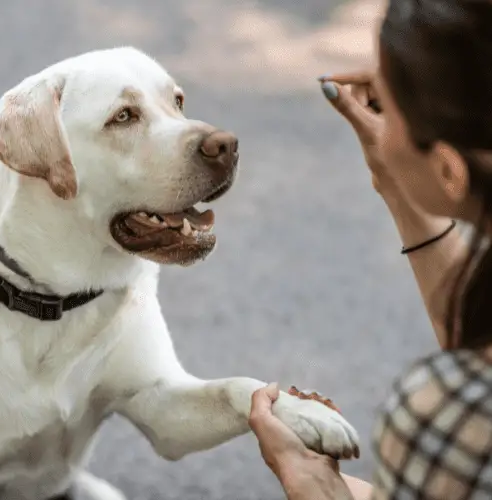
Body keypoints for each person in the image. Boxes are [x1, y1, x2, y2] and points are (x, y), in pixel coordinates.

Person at [247, 0, 492, 498]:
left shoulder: (447, 417)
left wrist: (317, 487)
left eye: (392, 104)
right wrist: (396, 182)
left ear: (449, 170)